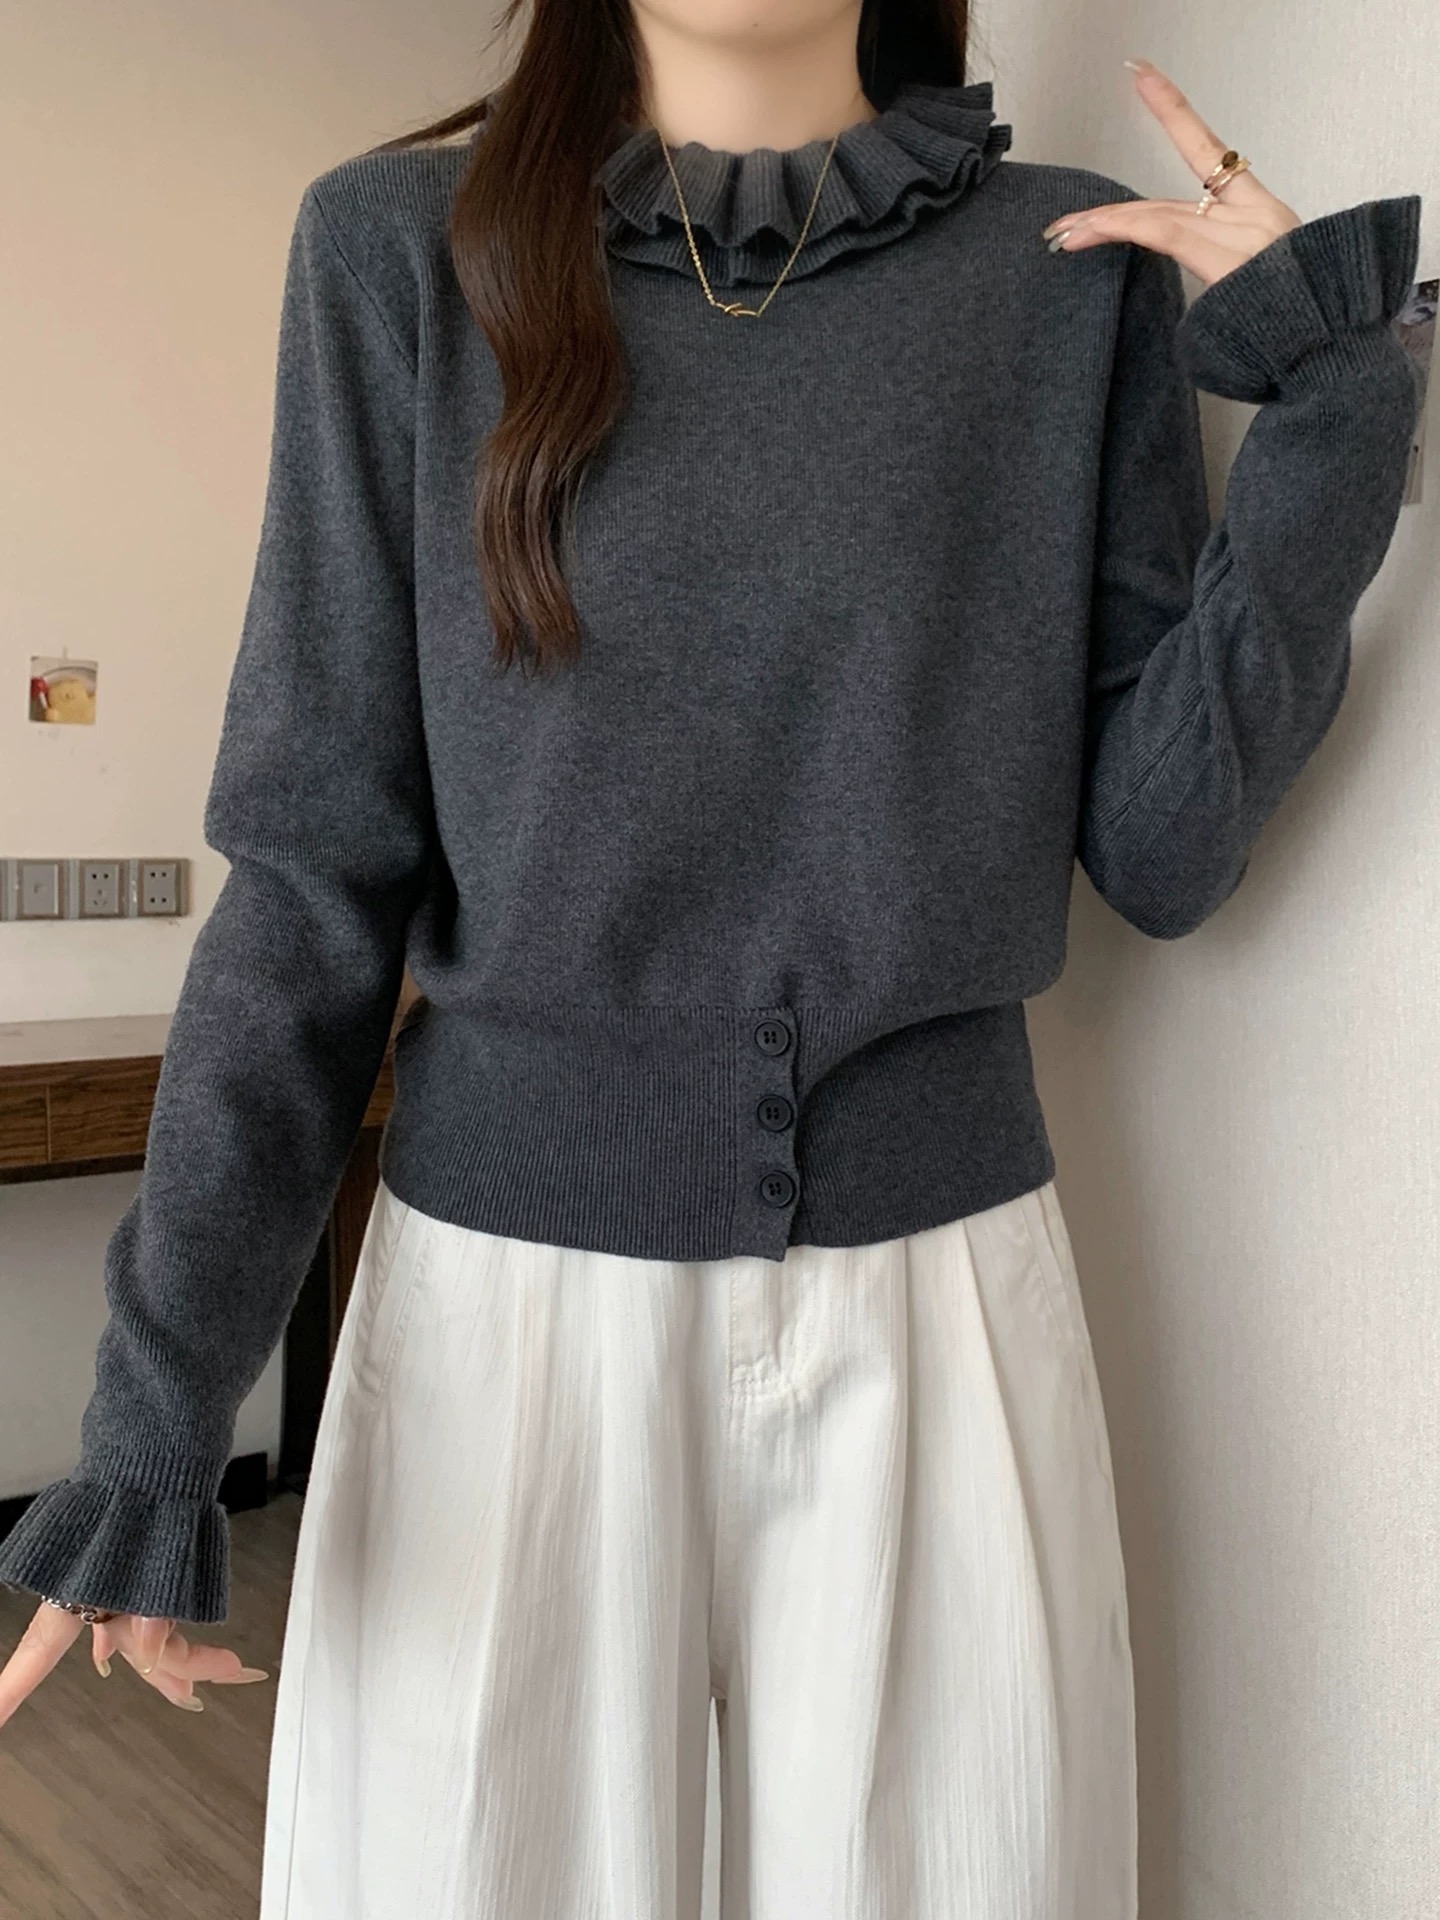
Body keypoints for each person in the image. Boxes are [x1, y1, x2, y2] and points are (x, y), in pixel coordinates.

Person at [0, 0, 1423, 1913]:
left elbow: (1163, 854)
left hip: (939, 1314)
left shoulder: (1070, 269)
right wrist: (157, 1418)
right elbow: (312, 879)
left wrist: (1335, 406)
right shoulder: (395, 254)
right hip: (503, 1327)